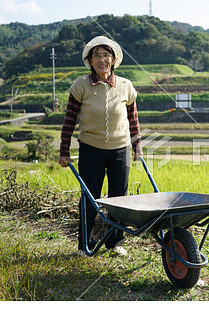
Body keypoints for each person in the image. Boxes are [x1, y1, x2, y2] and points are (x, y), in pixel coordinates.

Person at [58, 36, 142, 256]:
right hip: (91, 149)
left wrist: (137, 148)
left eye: (106, 55)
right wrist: (64, 151)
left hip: (120, 149)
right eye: (97, 55)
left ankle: (115, 242)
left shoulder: (125, 86)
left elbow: (133, 120)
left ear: (113, 60)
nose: (102, 60)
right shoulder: (80, 85)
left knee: (118, 199)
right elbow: (69, 120)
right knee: (89, 197)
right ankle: (84, 244)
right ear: (90, 61)